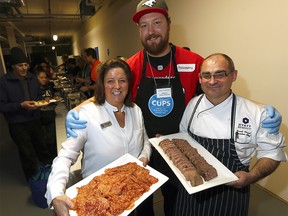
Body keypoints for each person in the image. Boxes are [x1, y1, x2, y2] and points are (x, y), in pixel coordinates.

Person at [65, 0, 282, 215]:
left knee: (176, 206)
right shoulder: (130, 67)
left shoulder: (193, 61)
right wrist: (77, 110)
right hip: (143, 152)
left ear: (169, 23)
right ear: (138, 30)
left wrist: (261, 109)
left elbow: (219, 88)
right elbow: (110, 91)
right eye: (144, 26)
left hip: (180, 152)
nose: (151, 31)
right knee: (140, 204)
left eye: (157, 23)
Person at [176, 53, 287, 216]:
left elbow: (272, 153)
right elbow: (182, 140)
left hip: (230, 195)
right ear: (200, 78)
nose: (212, 81)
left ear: (234, 75)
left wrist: (251, 177)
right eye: (206, 75)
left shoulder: (256, 113)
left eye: (220, 74)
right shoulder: (193, 105)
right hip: (190, 189)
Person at [45, 59, 152, 215]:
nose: (117, 86)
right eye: (110, 81)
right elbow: (65, 156)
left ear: (129, 84)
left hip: (131, 193)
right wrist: (56, 193)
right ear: (102, 85)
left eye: (122, 80)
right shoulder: (88, 114)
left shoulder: (135, 110)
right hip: (98, 200)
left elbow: (146, 141)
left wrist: (144, 156)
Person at [0, 47, 53, 182]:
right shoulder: (4, 82)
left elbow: (38, 96)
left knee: (42, 148)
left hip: (35, 120)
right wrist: (20, 105)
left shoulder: (31, 78)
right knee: (27, 153)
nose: (24, 68)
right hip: (18, 124)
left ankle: (51, 175)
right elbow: (2, 106)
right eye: (20, 65)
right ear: (12, 66)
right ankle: (33, 180)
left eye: (25, 65)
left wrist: (41, 103)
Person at [35, 67, 58, 159]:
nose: (44, 79)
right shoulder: (34, 90)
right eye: (41, 77)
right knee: (43, 142)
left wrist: (54, 101)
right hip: (41, 118)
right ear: (36, 78)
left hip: (50, 116)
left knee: (52, 140)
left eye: (45, 77)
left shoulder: (49, 87)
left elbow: (53, 100)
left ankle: (54, 159)